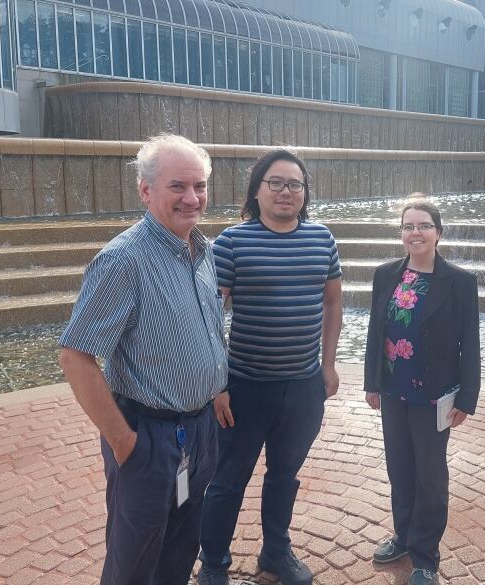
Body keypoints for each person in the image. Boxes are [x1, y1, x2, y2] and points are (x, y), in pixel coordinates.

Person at [58, 134, 228, 585]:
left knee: (179, 548)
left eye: (200, 186)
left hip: (198, 430)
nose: (192, 198)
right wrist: (123, 442)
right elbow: (75, 356)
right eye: (178, 186)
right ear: (146, 190)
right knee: (133, 561)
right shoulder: (123, 261)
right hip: (148, 437)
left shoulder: (202, 251)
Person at [197, 149, 344, 585]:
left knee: (285, 475)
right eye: (276, 183)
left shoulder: (322, 238)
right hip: (244, 387)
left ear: (305, 192)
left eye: (295, 184)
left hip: (302, 387)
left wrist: (328, 364)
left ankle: (276, 553)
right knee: (228, 480)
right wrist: (216, 384)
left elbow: (333, 300)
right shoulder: (232, 242)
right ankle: (214, 565)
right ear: (257, 190)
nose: (286, 192)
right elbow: (209, 316)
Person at [363, 198, 480, 585]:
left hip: (434, 394)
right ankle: (403, 535)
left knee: (431, 475)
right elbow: (375, 334)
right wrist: (372, 382)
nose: (416, 232)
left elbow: (470, 344)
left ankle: (425, 556)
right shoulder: (386, 275)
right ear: (401, 233)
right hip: (394, 389)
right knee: (400, 468)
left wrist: (467, 398)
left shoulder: (459, 281)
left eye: (424, 225)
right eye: (408, 226)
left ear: (438, 232)